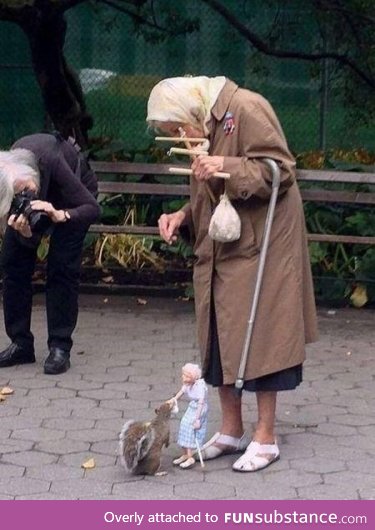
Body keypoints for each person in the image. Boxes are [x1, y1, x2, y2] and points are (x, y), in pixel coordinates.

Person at [147, 76, 318, 472]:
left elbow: (281, 171)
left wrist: (226, 164)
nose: (179, 136)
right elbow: (211, 196)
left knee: (263, 336)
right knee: (219, 335)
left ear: (192, 110)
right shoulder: (203, 128)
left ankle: (266, 437)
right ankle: (230, 430)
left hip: (265, 245)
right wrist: (183, 216)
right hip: (224, 246)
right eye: (170, 134)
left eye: (177, 128)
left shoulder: (246, 108)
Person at [0, 132, 100, 375]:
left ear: (29, 174)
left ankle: (59, 347)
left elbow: (92, 208)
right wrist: (25, 235)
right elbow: (26, 238)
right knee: (12, 262)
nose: (26, 197)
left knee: (62, 267)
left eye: (26, 190)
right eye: (17, 197)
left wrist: (61, 215)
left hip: (74, 200)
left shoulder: (51, 160)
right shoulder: (6, 175)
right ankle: (21, 343)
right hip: (40, 198)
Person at [168, 363, 208, 469]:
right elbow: (181, 392)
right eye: (183, 375)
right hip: (193, 407)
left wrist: (197, 419)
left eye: (186, 376)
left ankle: (190, 457)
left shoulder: (200, 387)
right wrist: (174, 400)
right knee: (183, 425)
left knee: (191, 429)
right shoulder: (187, 385)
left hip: (199, 409)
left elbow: (201, 403)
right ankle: (185, 453)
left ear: (193, 377)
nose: (183, 377)